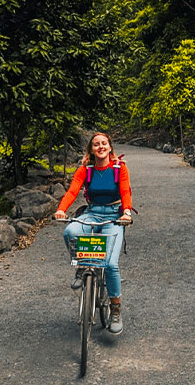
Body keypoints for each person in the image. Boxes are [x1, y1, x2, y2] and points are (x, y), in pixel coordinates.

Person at [54, 132, 132, 335]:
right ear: (91, 149)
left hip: (114, 215)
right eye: (96, 144)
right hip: (91, 213)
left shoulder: (118, 168)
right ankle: (81, 268)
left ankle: (115, 308)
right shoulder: (85, 170)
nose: (100, 147)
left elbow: (125, 191)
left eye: (104, 143)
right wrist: (62, 209)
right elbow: (72, 191)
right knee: (70, 231)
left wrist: (126, 212)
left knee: (111, 263)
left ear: (110, 147)